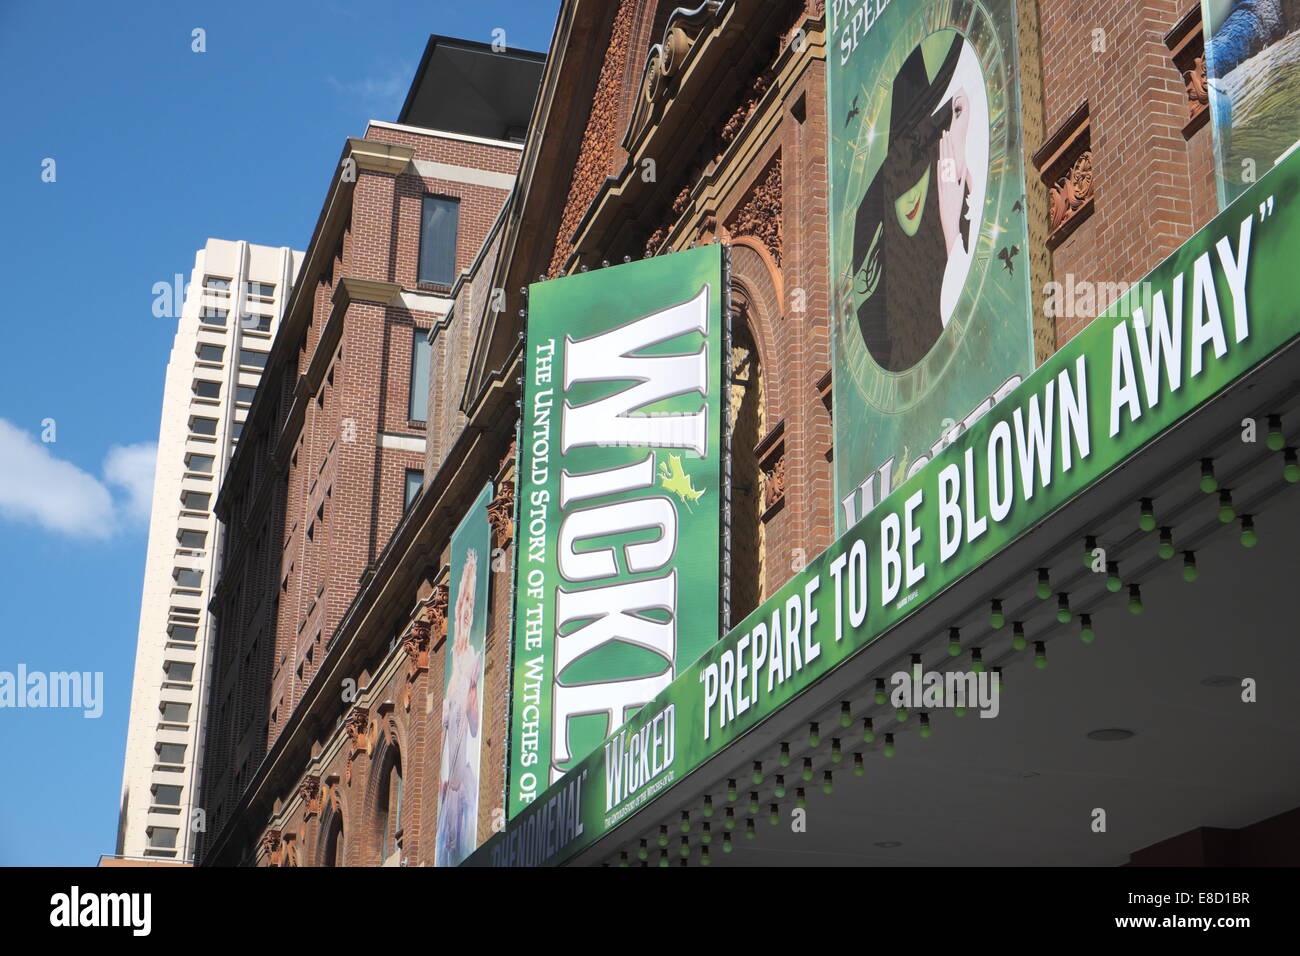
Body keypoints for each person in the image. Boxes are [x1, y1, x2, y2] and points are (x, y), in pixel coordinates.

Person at [850, 33, 969, 372]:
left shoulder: (960, 222)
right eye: (901, 159)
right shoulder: (880, 321)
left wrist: (950, 235)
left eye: (921, 146)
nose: (908, 171)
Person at [435, 548, 482, 866]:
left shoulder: (472, 661)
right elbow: (441, 736)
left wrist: (473, 692)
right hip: (447, 785)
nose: (464, 613)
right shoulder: (452, 669)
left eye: (469, 605)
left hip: (464, 784)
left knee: (460, 852)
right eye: (461, 604)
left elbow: (477, 724)